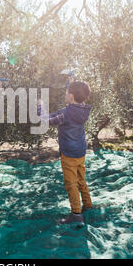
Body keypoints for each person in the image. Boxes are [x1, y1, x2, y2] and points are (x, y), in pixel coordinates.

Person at [38, 78, 93, 224]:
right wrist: (72, 84)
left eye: (67, 92)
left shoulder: (66, 113)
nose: (65, 94)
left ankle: (76, 214)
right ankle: (88, 205)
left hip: (69, 153)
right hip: (81, 151)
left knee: (71, 183)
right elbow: (77, 98)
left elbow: (47, 121)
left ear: (72, 96)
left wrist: (40, 107)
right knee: (81, 179)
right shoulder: (82, 110)